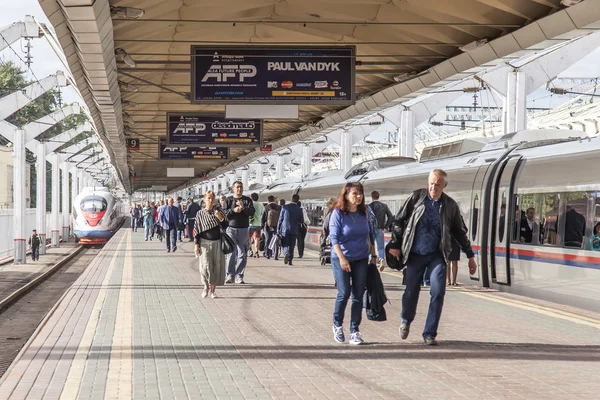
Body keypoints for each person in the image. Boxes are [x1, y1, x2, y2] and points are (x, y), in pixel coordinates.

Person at [388, 169, 477, 346]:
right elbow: (398, 221)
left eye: (437, 185)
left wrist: (470, 256)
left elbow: (460, 232)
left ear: (444, 185)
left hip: (437, 254)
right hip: (415, 254)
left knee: (438, 292)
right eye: (431, 183)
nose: (433, 188)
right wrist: (396, 245)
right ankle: (406, 319)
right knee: (411, 292)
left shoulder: (450, 206)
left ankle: (429, 333)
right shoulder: (416, 198)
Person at [329, 182, 377, 345]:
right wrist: (342, 258)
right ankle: (337, 324)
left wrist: (374, 254)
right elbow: (334, 238)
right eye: (355, 193)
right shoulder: (338, 213)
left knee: (358, 295)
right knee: (344, 293)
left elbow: (370, 234)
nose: (359, 196)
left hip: (361, 258)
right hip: (341, 257)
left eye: (360, 193)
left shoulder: (365, 212)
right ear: (346, 195)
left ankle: (354, 331)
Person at [194, 191, 228, 298]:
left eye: (212, 198)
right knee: (205, 266)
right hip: (204, 243)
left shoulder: (219, 212)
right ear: (204, 200)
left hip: (217, 242)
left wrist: (220, 218)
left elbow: (226, 225)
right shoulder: (200, 213)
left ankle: (213, 290)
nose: (210, 200)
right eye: (208, 198)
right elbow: (196, 230)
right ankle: (205, 286)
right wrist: (196, 245)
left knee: (216, 266)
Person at [224, 181, 255, 284]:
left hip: (243, 229)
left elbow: (252, 213)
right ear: (233, 189)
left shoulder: (247, 200)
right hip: (231, 229)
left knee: (242, 253)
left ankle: (239, 275)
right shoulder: (228, 200)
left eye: (241, 187)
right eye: (237, 187)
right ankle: (230, 275)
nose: (239, 189)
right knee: (231, 253)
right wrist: (234, 210)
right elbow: (223, 214)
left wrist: (243, 208)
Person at [369, 191, 394, 268]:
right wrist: (386, 227)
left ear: (372, 197)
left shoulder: (369, 207)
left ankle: (371, 259)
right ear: (378, 197)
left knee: (370, 246)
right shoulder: (384, 206)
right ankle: (381, 259)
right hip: (380, 229)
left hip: (370, 229)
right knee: (380, 247)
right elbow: (390, 216)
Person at [277, 194, 304, 266]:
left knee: (285, 243)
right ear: (298, 200)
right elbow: (301, 221)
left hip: (285, 229)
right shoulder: (299, 209)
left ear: (291, 199)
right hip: (294, 229)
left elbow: (280, 219)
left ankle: (286, 253)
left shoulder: (285, 207)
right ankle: (290, 261)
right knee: (292, 245)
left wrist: (278, 228)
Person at [261, 195, 281, 260]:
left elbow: (263, 218)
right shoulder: (279, 207)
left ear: (268, 200)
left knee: (268, 240)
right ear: (274, 200)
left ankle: (267, 254)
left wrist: (262, 226)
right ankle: (276, 255)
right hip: (276, 226)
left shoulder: (266, 207)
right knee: (276, 240)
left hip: (268, 226)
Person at [249, 193, 264, 258]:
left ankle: (250, 251)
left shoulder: (251, 204)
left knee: (249, 238)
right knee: (257, 239)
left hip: (250, 224)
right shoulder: (261, 205)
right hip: (258, 224)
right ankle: (256, 252)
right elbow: (262, 214)